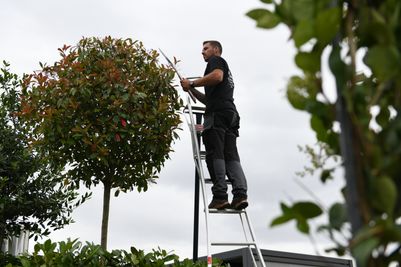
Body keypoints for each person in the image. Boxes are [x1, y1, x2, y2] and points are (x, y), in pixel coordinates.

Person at [181, 40, 248, 210]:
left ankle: (220, 196)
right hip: (230, 114)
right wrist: (190, 88)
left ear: (216, 50)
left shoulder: (216, 61)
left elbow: (217, 76)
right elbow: (208, 100)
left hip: (217, 116)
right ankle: (240, 195)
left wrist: (193, 83)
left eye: (205, 48)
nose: (202, 52)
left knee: (214, 153)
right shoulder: (222, 68)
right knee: (231, 155)